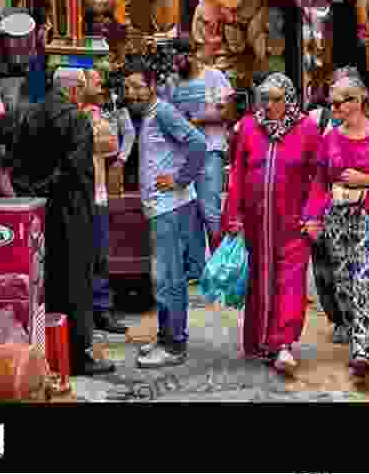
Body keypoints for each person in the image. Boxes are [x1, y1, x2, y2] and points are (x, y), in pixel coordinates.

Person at [6, 67, 115, 377]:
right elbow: (77, 169)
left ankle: (47, 351)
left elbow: (15, 164)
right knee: (76, 283)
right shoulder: (77, 119)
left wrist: (34, 193)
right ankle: (78, 356)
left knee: (48, 281)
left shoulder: (29, 115)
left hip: (39, 212)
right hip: (71, 210)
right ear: (75, 91)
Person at [303, 68, 369, 381]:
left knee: (367, 282)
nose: (334, 110)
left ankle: (362, 352)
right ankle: (353, 331)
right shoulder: (329, 138)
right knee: (344, 285)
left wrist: (366, 180)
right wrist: (312, 217)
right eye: (331, 104)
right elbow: (319, 183)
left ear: (357, 101)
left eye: (338, 104)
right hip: (337, 219)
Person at [224, 73, 321, 377]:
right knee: (259, 279)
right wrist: (234, 215)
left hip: (293, 221)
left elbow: (318, 177)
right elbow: (238, 172)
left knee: (290, 282)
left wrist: (313, 215)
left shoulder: (306, 129)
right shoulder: (250, 126)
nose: (269, 104)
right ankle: (259, 342)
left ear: (289, 99)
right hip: (256, 221)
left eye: (276, 98)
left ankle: (283, 344)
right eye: (264, 98)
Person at [123, 59, 207, 369]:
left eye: (138, 86)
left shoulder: (164, 112)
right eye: (127, 87)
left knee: (168, 278)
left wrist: (181, 178)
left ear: (152, 87)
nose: (131, 92)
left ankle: (174, 346)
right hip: (161, 209)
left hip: (170, 208)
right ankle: (165, 337)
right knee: (163, 277)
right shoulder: (148, 115)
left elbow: (198, 143)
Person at [169, 37, 234, 281]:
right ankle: (195, 269)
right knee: (189, 214)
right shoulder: (173, 82)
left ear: (193, 55)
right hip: (183, 156)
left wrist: (197, 120)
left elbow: (228, 112)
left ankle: (219, 267)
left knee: (210, 212)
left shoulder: (214, 77)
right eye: (175, 59)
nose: (178, 64)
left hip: (208, 152)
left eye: (182, 57)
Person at [79, 69, 129, 336]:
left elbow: (111, 144)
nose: (100, 86)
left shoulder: (98, 114)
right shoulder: (78, 114)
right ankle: (92, 310)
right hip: (83, 194)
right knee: (87, 255)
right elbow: (99, 142)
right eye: (95, 82)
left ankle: (100, 309)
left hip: (97, 192)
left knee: (99, 255)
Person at [307, 85, 344, 328]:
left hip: (354, 208)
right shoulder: (315, 119)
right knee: (323, 269)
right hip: (321, 203)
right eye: (337, 99)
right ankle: (337, 319)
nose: (341, 105)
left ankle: (355, 320)